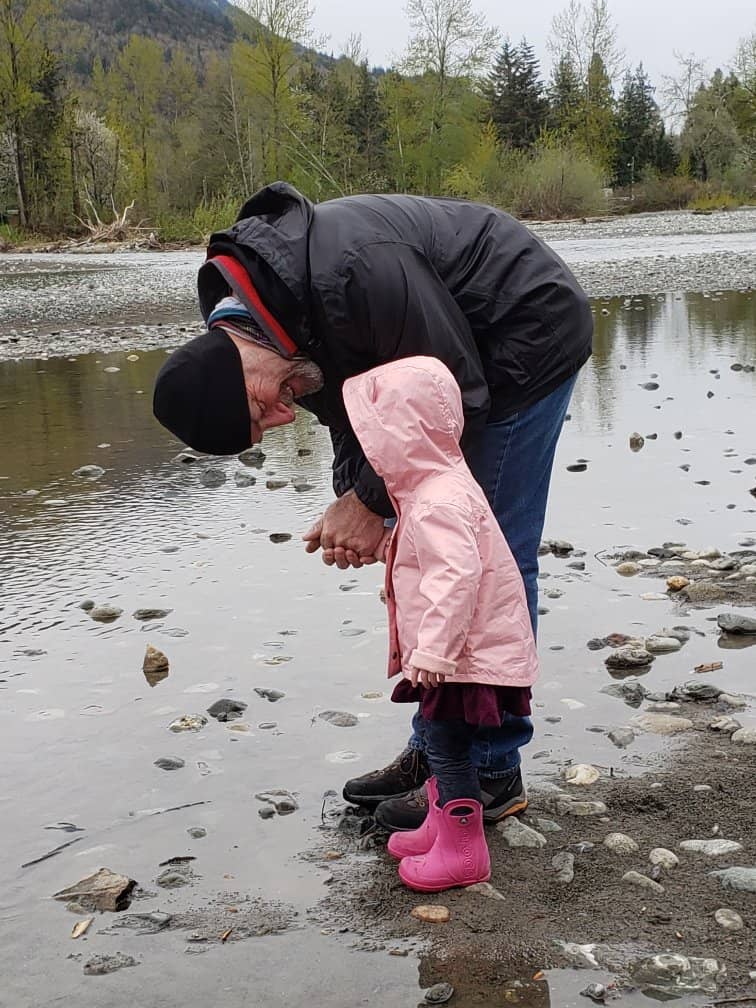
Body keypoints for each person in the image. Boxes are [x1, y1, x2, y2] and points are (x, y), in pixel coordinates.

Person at [153, 181, 592, 832]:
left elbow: (460, 398)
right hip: (461, 363)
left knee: (490, 553)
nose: (282, 414)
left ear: (229, 368)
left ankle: (491, 772)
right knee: (428, 554)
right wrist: (360, 503)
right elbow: (354, 412)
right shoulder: (270, 328)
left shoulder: (349, 273)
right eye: (265, 424)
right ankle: (438, 749)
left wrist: (371, 500)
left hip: (521, 339)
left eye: (261, 408)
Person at [342, 356, 538, 892]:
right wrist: (388, 546)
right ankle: (439, 825)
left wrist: (433, 651)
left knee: (446, 743)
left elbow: (457, 576)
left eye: (375, 438)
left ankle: (463, 848)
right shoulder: (438, 486)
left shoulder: (435, 501)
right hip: (462, 650)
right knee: (436, 732)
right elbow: (438, 559)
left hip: (461, 656)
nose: (371, 451)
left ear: (402, 436)